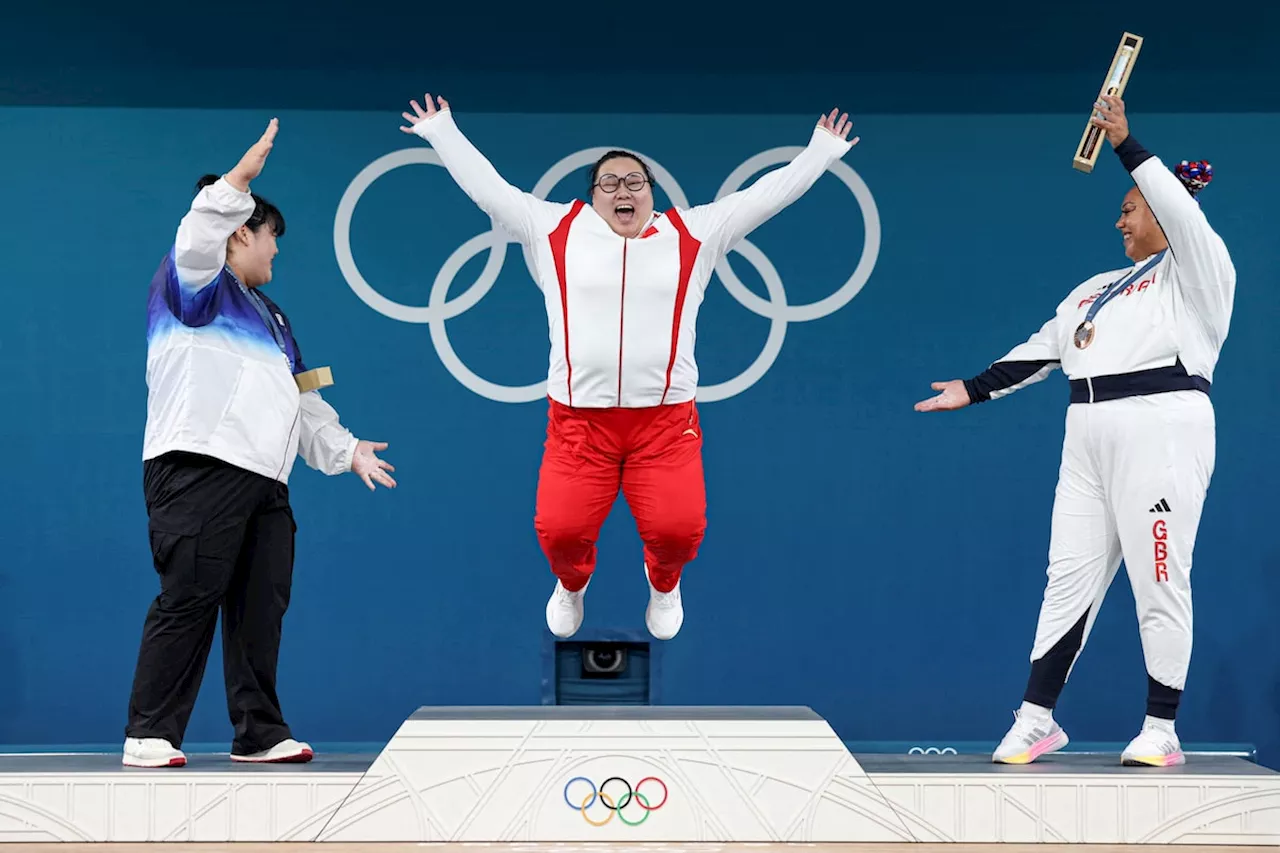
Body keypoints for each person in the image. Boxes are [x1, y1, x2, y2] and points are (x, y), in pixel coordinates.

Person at [400, 93, 857, 641]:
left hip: (664, 425)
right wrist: (442, 130)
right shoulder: (552, 230)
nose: (624, 190)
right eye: (610, 182)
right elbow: (489, 189)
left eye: (635, 181)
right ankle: (572, 585)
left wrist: (820, 153)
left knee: (679, 531)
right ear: (592, 196)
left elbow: (766, 196)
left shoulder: (693, 234)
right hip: (579, 424)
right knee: (560, 532)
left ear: (652, 194)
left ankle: (664, 584)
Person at [915, 94, 1234, 767]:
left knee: (1158, 575)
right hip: (1086, 433)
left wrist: (1126, 144)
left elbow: (1180, 209)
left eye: (1131, 207)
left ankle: (1162, 728)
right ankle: (1036, 718)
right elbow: (1044, 347)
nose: (1119, 217)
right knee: (1068, 575)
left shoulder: (1199, 271)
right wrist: (972, 389)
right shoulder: (1096, 287)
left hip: (1163, 425)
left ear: (1164, 209)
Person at [123, 119, 397, 768]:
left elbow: (304, 400)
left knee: (259, 609)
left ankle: (258, 732)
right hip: (199, 466)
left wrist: (346, 448)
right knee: (190, 595)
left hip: (265, 483)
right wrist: (235, 184)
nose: (277, 253)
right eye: (272, 238)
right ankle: (149, 732)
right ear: (241, 231)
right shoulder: (192, 283)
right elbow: (197, 239)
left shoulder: (274, 317)